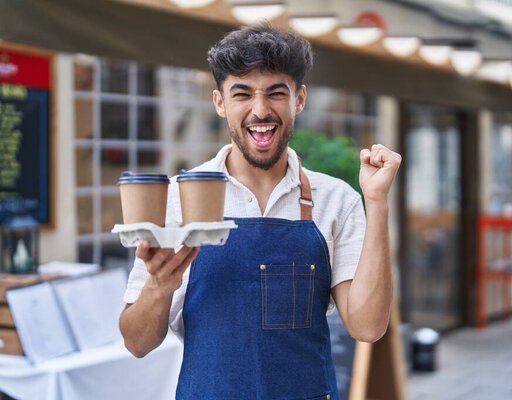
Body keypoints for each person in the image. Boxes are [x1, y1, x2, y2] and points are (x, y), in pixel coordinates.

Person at [119, 25, 401, 399]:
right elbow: (136, 343)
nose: (260, 109)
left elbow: (367, 327)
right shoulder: (177, 199)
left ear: (299, 99)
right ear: (220, 103)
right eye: (242, 94)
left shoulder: (336, 200)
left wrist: (377, 202)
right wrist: (159, 287)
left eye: (275, 93)